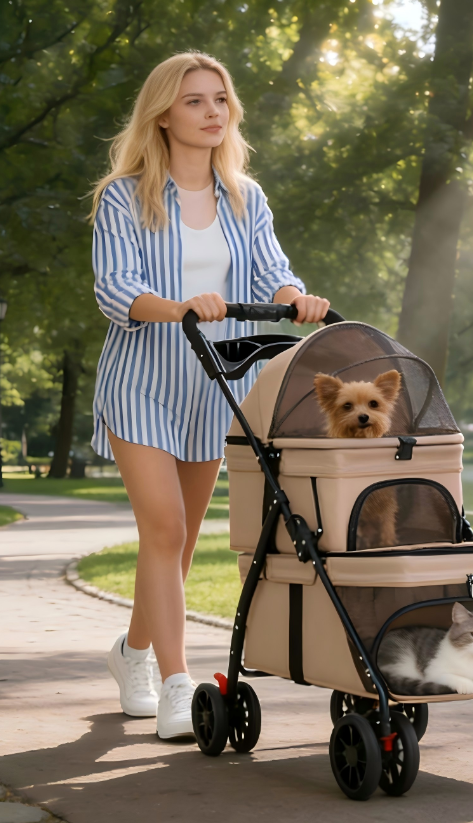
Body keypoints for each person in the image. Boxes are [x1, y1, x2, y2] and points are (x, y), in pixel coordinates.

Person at [88, 52, 330, 740]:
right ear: (163, 112)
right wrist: (176, 306)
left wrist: (294, 297)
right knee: (162, 528)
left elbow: (272, 269)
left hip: (215, 385)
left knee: (182, 539)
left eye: (220, 98)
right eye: (195, 100)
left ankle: (132, 651)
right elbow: (114, 289)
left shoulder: (245, 198)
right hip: (142, 379)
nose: (212, 111)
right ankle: (174, 681)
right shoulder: (123, 196)